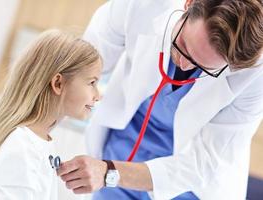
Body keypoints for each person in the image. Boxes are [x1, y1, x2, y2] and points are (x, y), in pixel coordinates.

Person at [57, 0, 263, 199]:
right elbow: (82, 66)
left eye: (203, 66)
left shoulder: (254, 75)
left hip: (187, 184)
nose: (183, 64)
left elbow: (203, 163)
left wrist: (109, 172)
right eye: (183, 44)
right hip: (120, 150)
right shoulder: (146, 5)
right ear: (189, 3)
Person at [0, 30, 102, 200]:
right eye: (92, 83)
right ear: (58, 83)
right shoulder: (22, 149)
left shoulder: (37, 142)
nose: (98, 95)